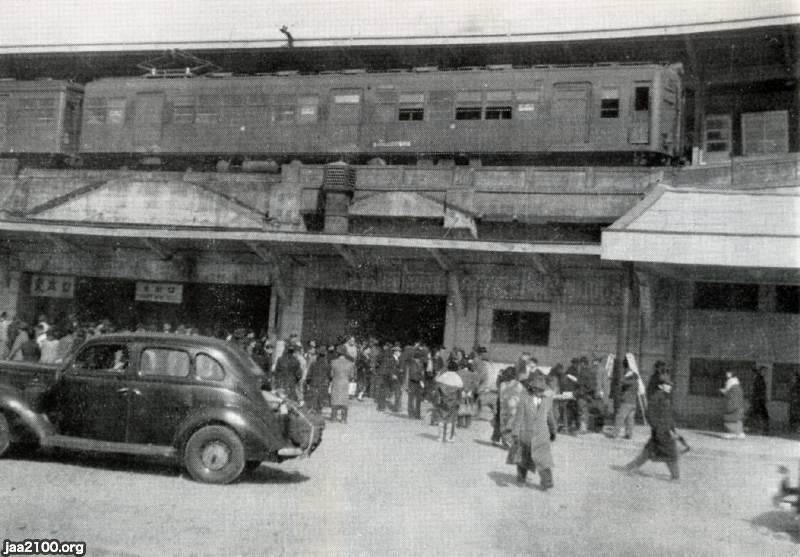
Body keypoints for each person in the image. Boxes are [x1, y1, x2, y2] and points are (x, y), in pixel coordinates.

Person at [622, 372, 680, 480]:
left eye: (670, 385)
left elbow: (668, 415)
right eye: (666, 385)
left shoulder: (666, 397)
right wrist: (657, 426)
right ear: (661, 386)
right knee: (670, 454)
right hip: (661, 431)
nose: (669, 387)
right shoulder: (658, 397)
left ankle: (630, 467)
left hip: (664, 431)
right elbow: (649, 413)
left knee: (649, 452)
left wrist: (672, 429)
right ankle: (675, 477)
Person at [506, 374, 556, 490]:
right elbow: (519, 417)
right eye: (537, 389)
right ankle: (521, 478)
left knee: (543, 459)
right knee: (523, 457)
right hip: (526, 432)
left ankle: (547, 482)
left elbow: (550, 415)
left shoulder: (547, 399)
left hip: (541, 433)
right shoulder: (524, 399)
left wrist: (553, 430)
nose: (539, 392)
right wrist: (515, 433)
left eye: (542, 390)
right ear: (532, 388)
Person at [612, 358, 640, 439]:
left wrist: (625, 376)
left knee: (620, 417)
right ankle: (629, 434)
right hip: (634, 402)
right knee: (630, 419)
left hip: (626, 401)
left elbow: (622, 381)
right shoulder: (637, 382)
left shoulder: (630, 381)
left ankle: (615, 433)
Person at [434, 363, 463, 442]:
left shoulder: (443, 377)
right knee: (450, 419)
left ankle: (440, 437)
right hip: (453, 402)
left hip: (442, 400)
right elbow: (460, 391)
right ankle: (447, 437)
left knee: (441, 418)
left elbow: (437, 387)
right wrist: (459, 401)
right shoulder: (457, 378)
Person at [329, 345, 354, 423]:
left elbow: (331, 374)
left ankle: (333, 417)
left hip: (336, 382)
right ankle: (344, 418)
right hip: (345, 382)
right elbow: (351, 375)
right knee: (344, 400)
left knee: (335, 400)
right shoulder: (350, 363)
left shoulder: (333, 362)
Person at [305, 345, 330, 413]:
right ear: (325, 356)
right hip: (323, 385)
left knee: (314, 399)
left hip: (314, 384)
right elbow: (329, 376)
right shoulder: (327, 365)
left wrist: (308, 383)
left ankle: (314, 410)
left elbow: (309, 375)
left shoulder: (313, 364)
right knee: (320, 400)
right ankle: (319, 412)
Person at [720, 370, 745, 439]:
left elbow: (732, 398)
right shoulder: (737, 386)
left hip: (733, 407)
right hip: (738, 407)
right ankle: (739, 432)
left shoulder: (732, 386)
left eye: (729, 373)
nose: (727, 374)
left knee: (731, 419)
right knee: (738, 420)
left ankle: (732, 433)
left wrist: (728, 408)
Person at [377, 345, 402, 412]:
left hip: (394, 378)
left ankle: (397, 408)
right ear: (395, 352)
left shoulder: (397, 359)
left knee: (398, 392)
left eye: (400, 351)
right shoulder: (390, 358)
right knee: (384, 392)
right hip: (387, 378)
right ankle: (381, 407)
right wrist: (392, 374)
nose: (400, 353)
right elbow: (387, 368)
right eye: (399, 352)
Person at [746, 365, 770, 435]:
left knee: (754, 414)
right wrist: (761, 399)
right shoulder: (760, 379)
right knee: (763, 415)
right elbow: (758, 391)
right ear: (761, 371)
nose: (765, 373)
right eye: (764, 371)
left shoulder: (759, 379)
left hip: (758, 400)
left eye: (766, 371)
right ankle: (764, 429)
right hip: (759, 401)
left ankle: (749, 426)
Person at [406, 348, 426, 419]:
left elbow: (422, 374)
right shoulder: (412, 364)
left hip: (418, 383)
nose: (420, 360)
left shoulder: (420, 364)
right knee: (411, 399)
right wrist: (420, 378)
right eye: (419, 358)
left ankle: (417, 414)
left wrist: (422, 382)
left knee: (418, 399)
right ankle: (411, 414)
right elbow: (413, 375)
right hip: (413, 382)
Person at [790, 369, 800, 434]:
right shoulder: (795, 385)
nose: (792, 378)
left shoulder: (797, 385)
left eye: (793, 377)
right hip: (795, 403)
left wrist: (795, 399)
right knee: (794, 416)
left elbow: (796, 394)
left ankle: (797, 428)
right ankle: (795, 428)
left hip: (796, 404)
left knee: (796, 416)